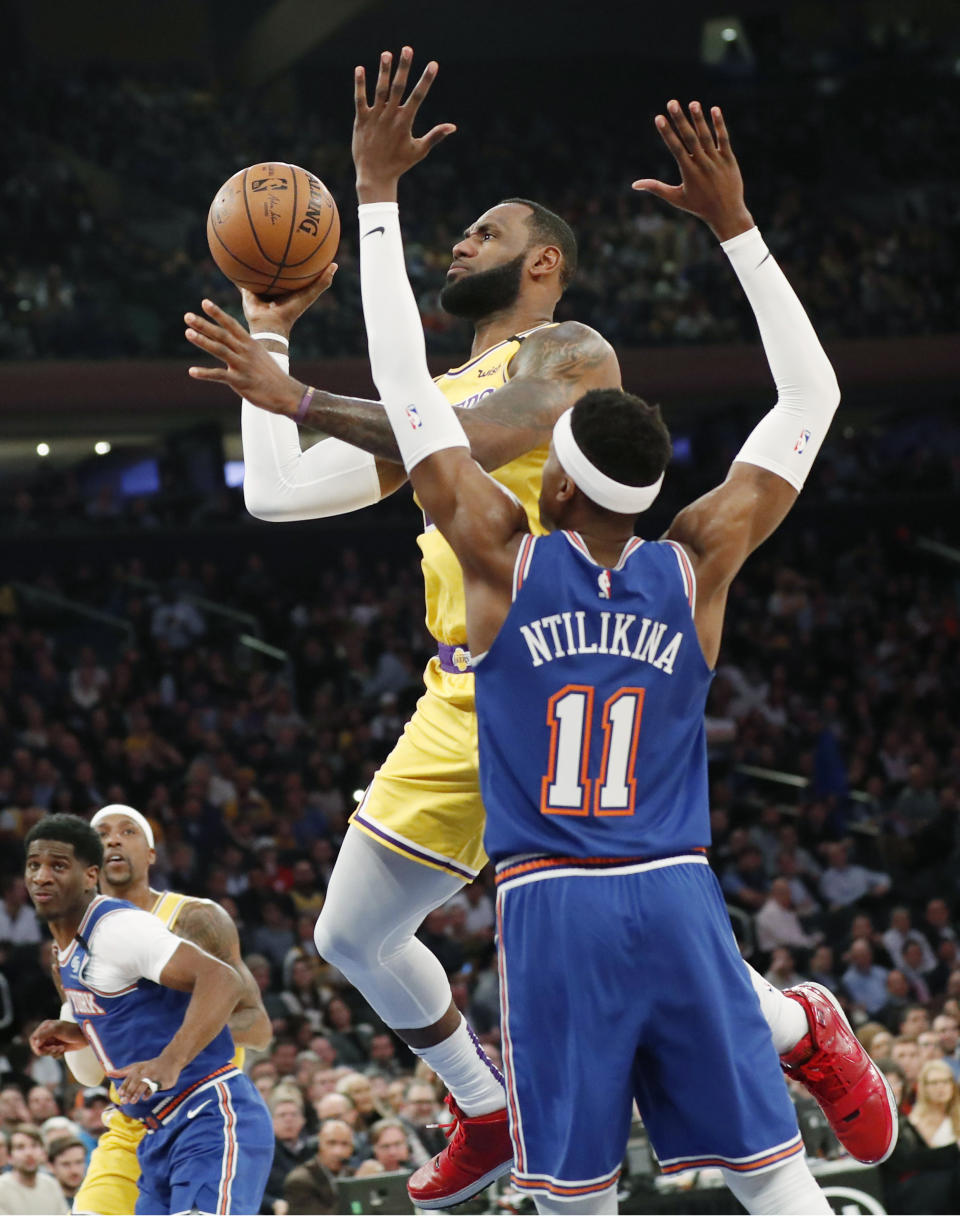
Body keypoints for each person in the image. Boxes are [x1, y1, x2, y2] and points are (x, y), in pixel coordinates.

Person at [183, 48, 895, 1207]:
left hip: (538, 650)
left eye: (485, 229)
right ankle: (485, 1099)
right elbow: (278, 489)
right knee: (352, 938)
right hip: (460, 679)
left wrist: (361, 235)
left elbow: (440, 434)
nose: (459, 242)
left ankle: (782, 1021)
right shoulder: (436, 405)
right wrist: (270, 336)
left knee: (609, 904)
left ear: (544, 261)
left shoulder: (570, 357)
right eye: (453, 230)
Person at [24, 814, 274, 1216]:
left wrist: (171, 1057)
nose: (113, 842)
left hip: (202, 1107)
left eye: (127, 832)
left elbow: (244, 1007)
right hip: (138, 1123)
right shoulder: (67, 951)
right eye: (102, 835)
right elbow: (123, 1027)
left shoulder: (179, 920)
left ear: (151, 853)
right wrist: (81, 1031)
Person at [881, 1059, 960, 1213]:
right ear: (924, 1087)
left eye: (945, 1081)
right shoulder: (912, 1121)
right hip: (932, 1194)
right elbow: (913, 1161)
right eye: (934, 1083)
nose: (940, 1087)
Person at [282, 1118, 355, 1215]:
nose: (338, 1151)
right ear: (318, 1144)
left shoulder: (353, 1174)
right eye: (331, 1143)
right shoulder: (299, 1181)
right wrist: (355, 1189)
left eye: (345, 1144)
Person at [0, 1123, 68, 1215]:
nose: (29, 1153)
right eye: (20, 1147)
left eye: (34, 1146)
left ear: (43, 1152)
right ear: (9, 1156)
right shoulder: (2, 1189)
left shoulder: (51, 1184)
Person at [46, 1136, 87, 1205]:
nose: (74, 1170)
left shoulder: (95, 1198)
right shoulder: (45, 1202)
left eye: (79, 1162)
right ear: (51, 1166)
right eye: (66, 1164)